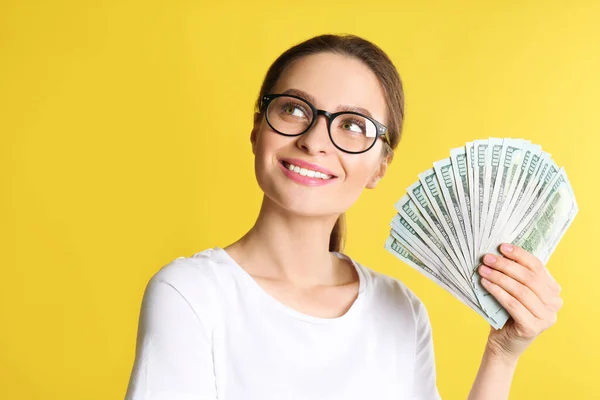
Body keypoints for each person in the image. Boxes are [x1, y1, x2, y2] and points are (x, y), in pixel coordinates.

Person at [124, 34, 563, 400]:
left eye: (353, 125)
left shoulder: (402, 311)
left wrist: (503, 354)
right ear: (258, 127)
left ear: (380, 167)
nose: (315, 140)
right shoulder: (191, 294)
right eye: (294, 109)